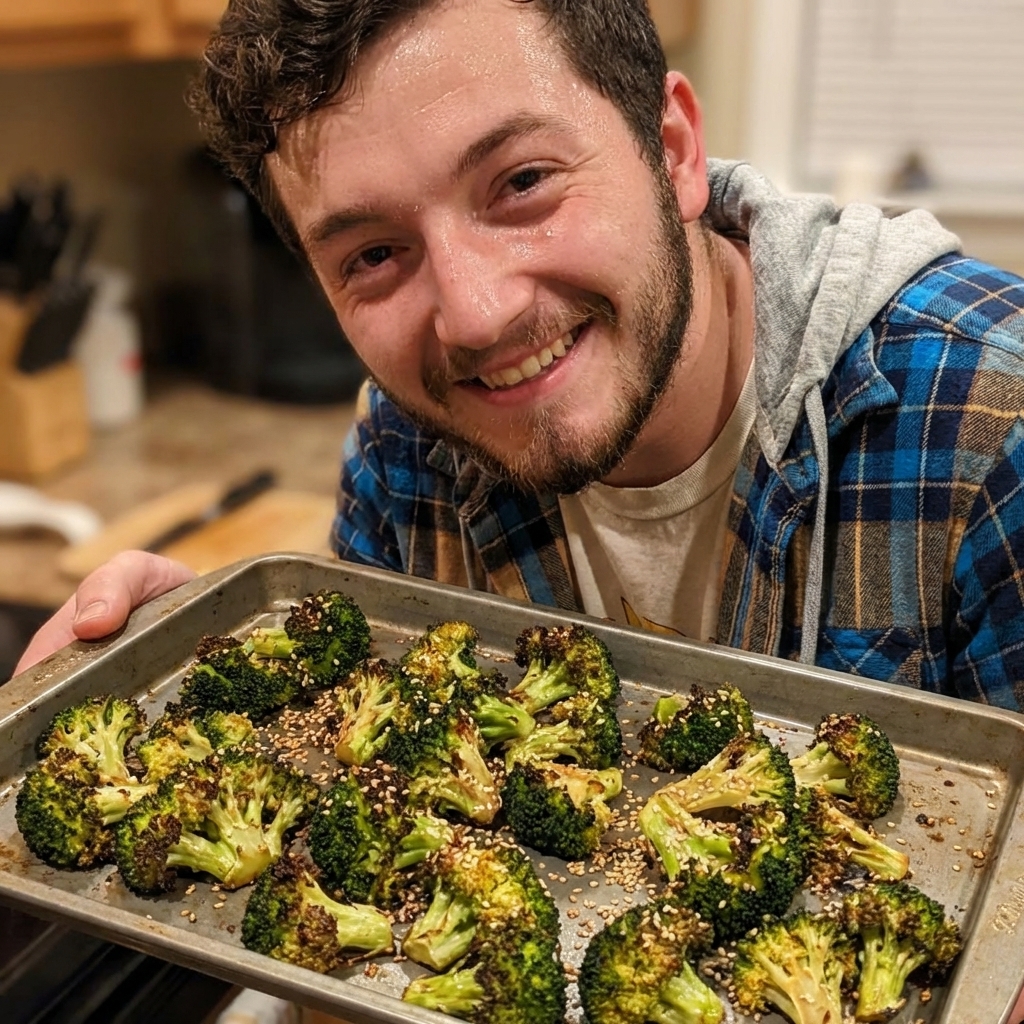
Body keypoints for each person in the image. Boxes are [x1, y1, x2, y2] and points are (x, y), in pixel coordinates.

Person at [11, 3, 1024, 1015]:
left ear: (671, 150)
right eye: (370, 254)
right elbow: (350, 848)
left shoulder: (989, 432)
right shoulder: (405, 447)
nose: (476, 313)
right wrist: (205, 680)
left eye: (522, 183)